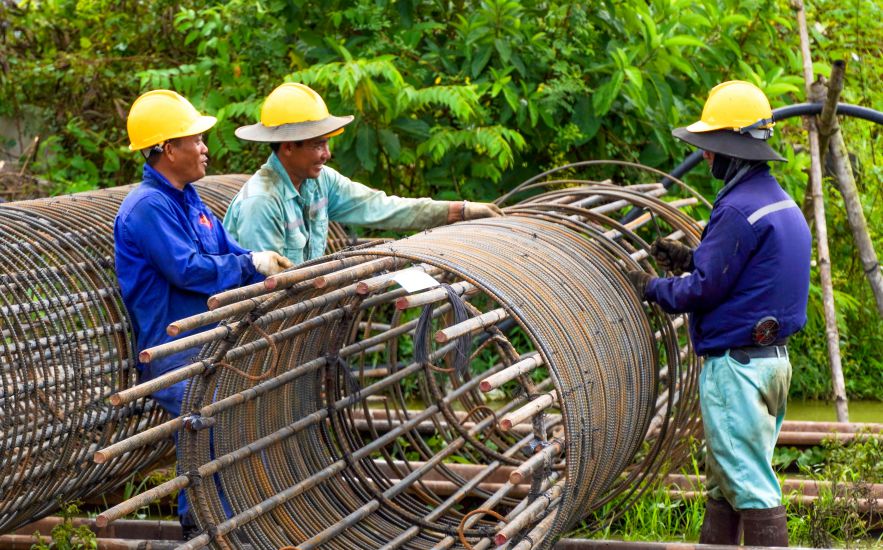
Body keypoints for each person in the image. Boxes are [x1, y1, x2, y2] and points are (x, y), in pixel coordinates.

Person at [626, 80, 811, 547]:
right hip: (772, 363)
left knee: (747, 483)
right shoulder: (778, 203)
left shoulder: (736, 209)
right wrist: (690, 257)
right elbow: (746, 273)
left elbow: (706, 290)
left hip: (737, 370)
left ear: (732, 148)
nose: (706, 157)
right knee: (726, 481)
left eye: (712, 149)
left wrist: (652, 288)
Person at [113, 89, 292, 537]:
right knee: (213, 422)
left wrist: (266, 265)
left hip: (208, 343)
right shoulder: (148, 207)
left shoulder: (189, 199)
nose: (205, 147)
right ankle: (205, 529)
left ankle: (234, 522)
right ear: (168, 149)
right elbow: (186, 270)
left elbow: (230, 254)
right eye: (195, 139)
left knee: (241, 416)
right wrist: (247, 265)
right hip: (173, 352)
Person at [223, 82, 503, 262]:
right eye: (318, 144)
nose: (327, 154)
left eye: (327, 143)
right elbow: (264, 292)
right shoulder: (261, 202)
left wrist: (459, 210)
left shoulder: (320, 181)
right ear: (287, 148)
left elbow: (380, 206)